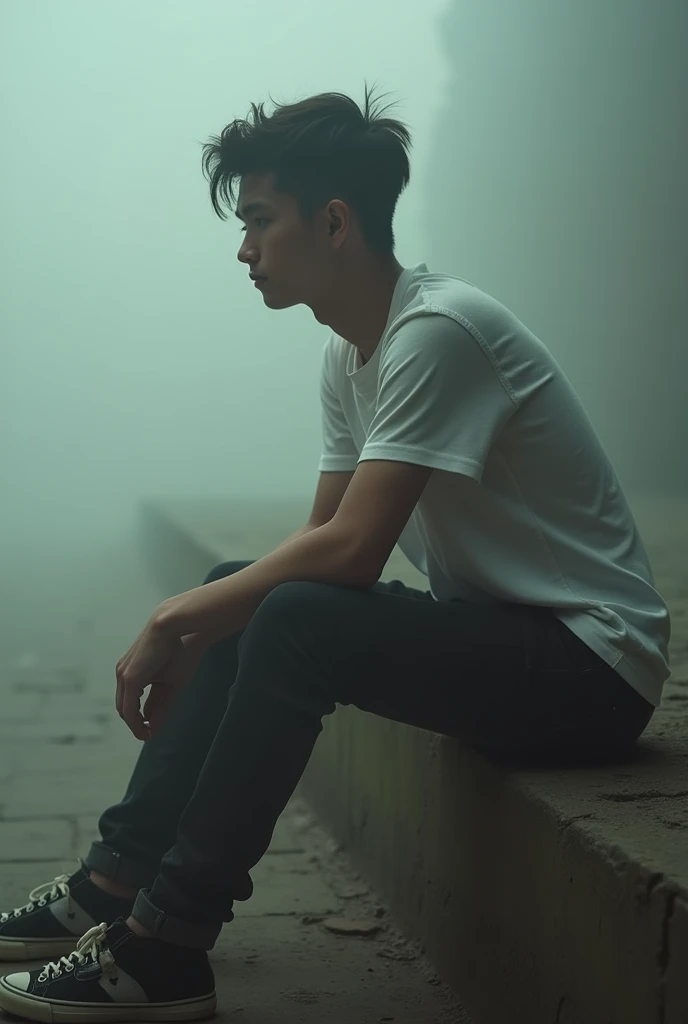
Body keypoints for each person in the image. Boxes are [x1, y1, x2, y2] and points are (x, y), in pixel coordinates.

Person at [0, 81, 670, 1023]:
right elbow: (321, 542)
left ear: (337, 220)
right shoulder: (349, 349)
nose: (244, 249)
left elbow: (351, 556)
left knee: (292, 617)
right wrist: (209, 610)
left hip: (590, 670)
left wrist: (171, 620)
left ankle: (167, 943)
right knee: (245, 589)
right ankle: (114, 883)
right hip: (505, 640)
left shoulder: (439, 331)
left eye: (261, 221)